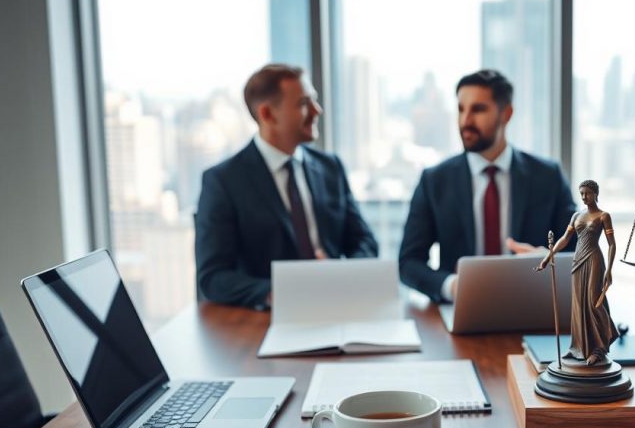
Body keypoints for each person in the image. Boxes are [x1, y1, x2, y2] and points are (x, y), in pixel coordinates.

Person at [195, 64, 377, 308]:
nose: (317, 111)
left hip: (338, 306)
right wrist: (279, 292)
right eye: (304, 103)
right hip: (265, 321)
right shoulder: (223, 181)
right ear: (268, 114)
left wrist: (340, 272)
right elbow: (213, 277)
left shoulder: (331, 167)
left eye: (314, 100)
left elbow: (365, 243)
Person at [398, 69, 576, 302]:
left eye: (478, 109)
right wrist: (451, 286)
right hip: (460, 307)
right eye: (461, 109)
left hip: (533, 303)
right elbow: (409, 263)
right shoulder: (434, 181)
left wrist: (551, 261)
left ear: (506, 114)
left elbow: (579, 252)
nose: (466, 121)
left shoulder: (548, 176)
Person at [535, 180, 618, 365]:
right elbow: (565, 239)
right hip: (577, 261)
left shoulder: (603, 216)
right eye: (581, 193)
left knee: (594, 301)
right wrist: (549, 256)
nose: (583, 197)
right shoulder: (576, 216)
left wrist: (610, 270)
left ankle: (600, 347)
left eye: (587, 193)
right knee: (579, 304)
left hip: (594, 259)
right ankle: (579, 347)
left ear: (595, 193)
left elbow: (612, 244)